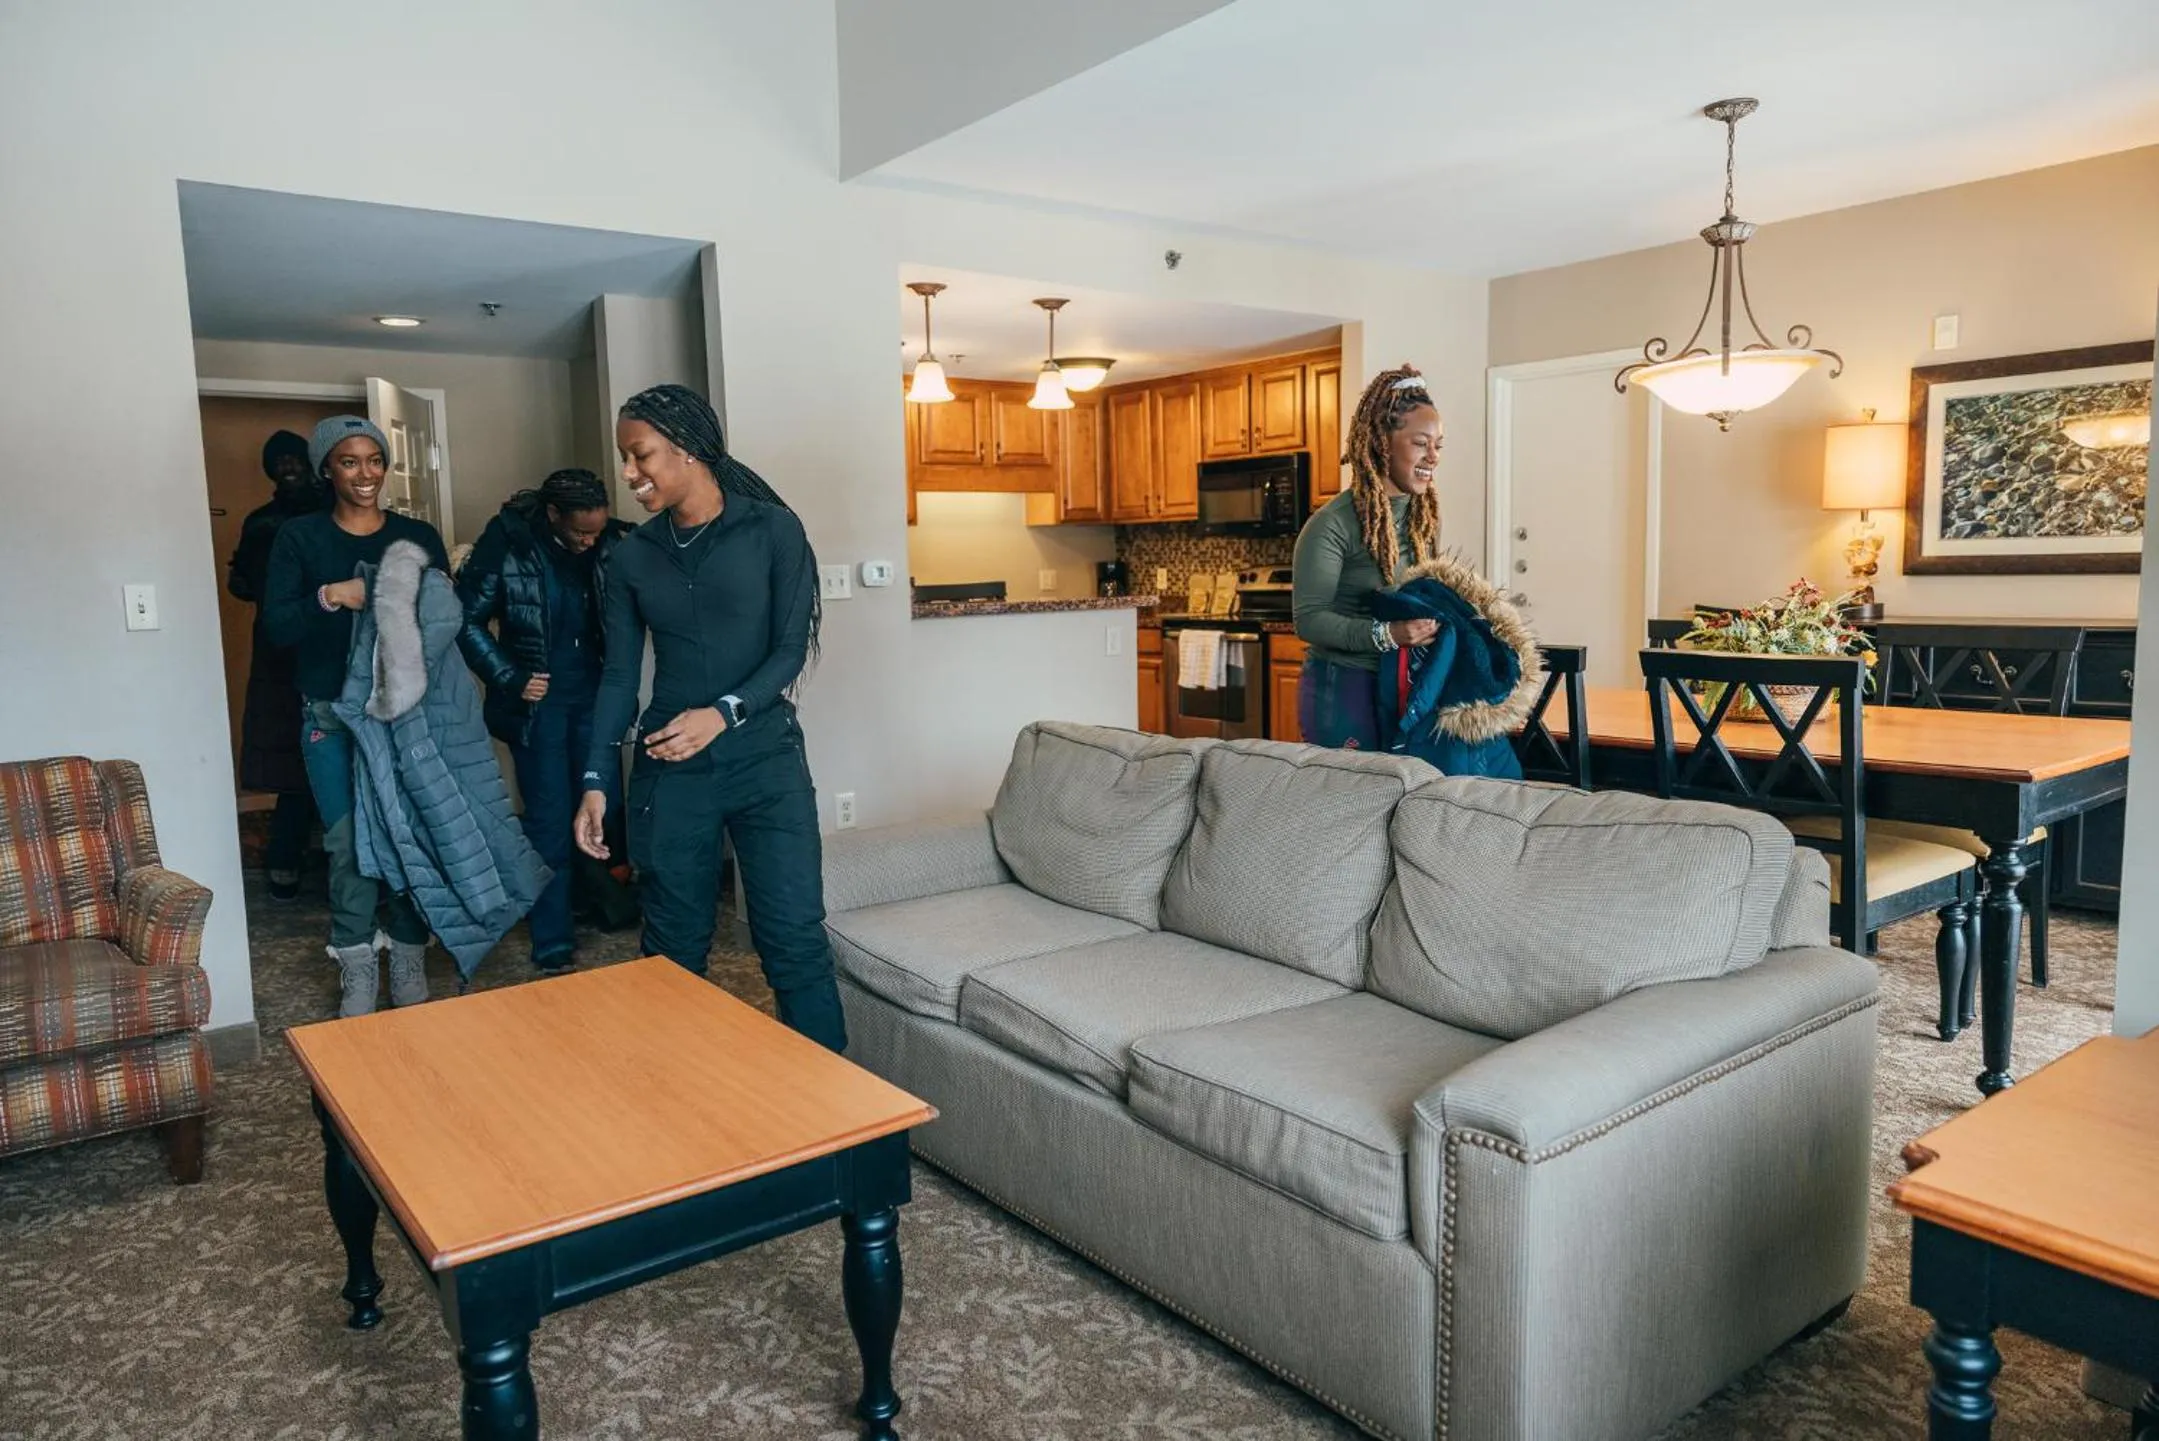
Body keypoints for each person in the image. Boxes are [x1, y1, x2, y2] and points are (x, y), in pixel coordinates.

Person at [572, 383, 847, 1053]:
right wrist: (595, 776)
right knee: (670, 954)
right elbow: (616, 676)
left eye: (641, 457)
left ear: (688, 448)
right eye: (625, 459)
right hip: (672, 768)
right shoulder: (630, 555)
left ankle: (839, 1122)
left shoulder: (772, 530)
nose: (629, 475)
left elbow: (787, 651)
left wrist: (722, 714)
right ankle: (675, 1110)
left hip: (766, 763)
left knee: (792, 939)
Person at [262, 415, 451, 1016]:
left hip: (403, 713)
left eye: (375, 460)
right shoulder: (300, 538)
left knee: (406, 836)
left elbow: (446, 618)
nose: (365, 473)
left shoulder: (417, 536)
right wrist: (333, 596)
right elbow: (278, 625)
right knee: (347, 843)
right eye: (349, 461)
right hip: (331, 712)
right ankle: (357, 960)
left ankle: (408, 952)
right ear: (327, 469)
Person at [455, 468, 629, 975]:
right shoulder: (508, 542)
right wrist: (508, 675)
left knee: (602, 807)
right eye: (580, 531)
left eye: (596, 530)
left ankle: (593, 899)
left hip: (595, 696)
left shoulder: (612, 542)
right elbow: (463, 618)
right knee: (550, 818)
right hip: (540, 705)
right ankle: (551, 936)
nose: (589, 540)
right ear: (553, 515)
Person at [1291, 364, 1445, 749]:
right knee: (1348, 804)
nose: (1433, 457)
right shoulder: (1331, 525)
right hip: (1343, 687)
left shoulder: (1423, 519)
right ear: (1381, 443)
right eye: (1420, 443)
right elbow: (1309, 620)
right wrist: (1388, 635)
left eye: (1438, 445)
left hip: (1406, 684)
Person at [226, 429, 324, 901]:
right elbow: (242, 582)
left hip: (330, 639)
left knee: (339, 747)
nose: (287, 468)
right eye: (278, 462)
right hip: (278, 647)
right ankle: (286, 857)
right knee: (290, 749)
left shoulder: (331, 512)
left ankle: (333, 859)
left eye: (293, 460)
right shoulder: (260, 521)